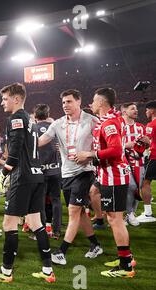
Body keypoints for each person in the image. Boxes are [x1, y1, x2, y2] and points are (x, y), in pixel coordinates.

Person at [0, 83, 55, 283]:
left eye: (5, 98)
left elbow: (14, 151)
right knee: (35, 222)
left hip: (22, 177)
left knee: (8, 223)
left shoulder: (15, 118)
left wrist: (4, 173)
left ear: (16, 99)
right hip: (37, 174)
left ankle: (5, 272)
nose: (2, 102)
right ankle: (48, 270)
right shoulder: (30, 120)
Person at [76, 87, 135, 278]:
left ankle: (126, 266)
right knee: (111, 214)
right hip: (108, 174)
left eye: (93, 101)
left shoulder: (109, 122)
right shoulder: (110, 119)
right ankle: (127, 257)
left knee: (115, 219)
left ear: (101, 103)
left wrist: (90, 155)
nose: (91, 104)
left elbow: (116, 150)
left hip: (113, 176)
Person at [39, 90, 102, 266]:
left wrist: (89, 155)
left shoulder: (92, 121)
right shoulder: (58, 124)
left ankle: (61, 251)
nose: (65, 105)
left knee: (73, 211)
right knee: (80, 212)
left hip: (84, 172)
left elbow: (103, 144)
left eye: (69, 101)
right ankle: (95, 245)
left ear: (79, 101)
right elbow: (42, 140)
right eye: (63, 102)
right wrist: (24, 145)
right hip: (65, 173)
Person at [34, 104, 62, 239]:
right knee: (56, 201)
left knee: (40, 202)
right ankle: (56, 231)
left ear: (35, 116)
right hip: (56, 170)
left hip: (41, 172)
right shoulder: (55, 128)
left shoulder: (33, 129)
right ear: (47, 114)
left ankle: (43, 231)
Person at [121, 103, 147, 226]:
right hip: (123, 162)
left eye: (136, 108)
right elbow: (114, 145)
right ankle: (129, 213)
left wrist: (146, 145)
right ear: (125, 112)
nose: (136, 110)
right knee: (130, 186)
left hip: (139, 161)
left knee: (137, 188)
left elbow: (146, 144)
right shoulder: (119, 126)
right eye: (133, 109)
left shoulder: (141, 127)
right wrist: (127, 145)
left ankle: (131, 214)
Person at [137, 100, 156, 223]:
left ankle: (148, 214)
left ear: (153, 110)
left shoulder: (151, 124)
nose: (146, 112)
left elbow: (146, 141)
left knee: (145, 183)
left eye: (147, 110)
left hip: (154, 156)